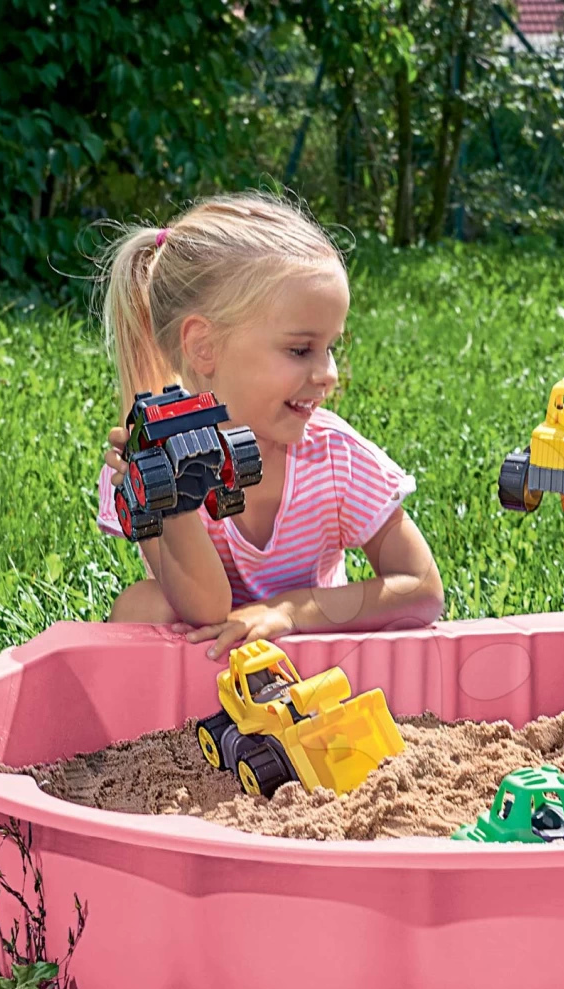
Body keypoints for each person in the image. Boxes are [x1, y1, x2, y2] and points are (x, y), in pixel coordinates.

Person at [94, 192, 443, 658]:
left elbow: (421, 588)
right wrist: (172, 501)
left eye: (330, 347)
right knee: (143, 607)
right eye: (301, 350)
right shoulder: (153, 462)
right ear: (204, 348)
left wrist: (290, 611)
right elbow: (206, 609)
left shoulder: (334, 456)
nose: (330, 373)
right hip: (208, 661)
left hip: (314, 657)